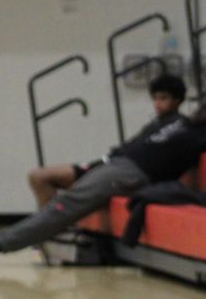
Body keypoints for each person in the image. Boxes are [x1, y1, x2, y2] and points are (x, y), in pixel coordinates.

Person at [0, 84, 206, 267]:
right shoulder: (176, 120)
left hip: (130, 174)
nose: (200, 108)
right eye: (200, 102)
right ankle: (16, 240)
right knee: (42, 179)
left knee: (64, 205)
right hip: (112, 164)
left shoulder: (205, 134)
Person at [25, 73, 187, 209]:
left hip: (123, 175)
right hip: (109, 164)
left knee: (41, 177)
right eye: (155, 98)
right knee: (38, 176)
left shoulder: (179, 126)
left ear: (177, 100)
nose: (157, 104)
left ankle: (54, 232)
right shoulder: (154, 123)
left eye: (163, 98)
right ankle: (54, 233)